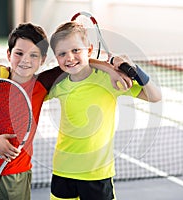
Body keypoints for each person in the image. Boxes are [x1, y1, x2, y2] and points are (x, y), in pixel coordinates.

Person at [0, 22, 130, 200]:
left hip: (18, 175)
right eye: (19, 53)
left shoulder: (43, 83)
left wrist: (110, 67)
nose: (26, 60)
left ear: (43, 59)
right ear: (9, 54)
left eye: (34, 55)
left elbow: (79, 61)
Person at [48, 21, 162, 200]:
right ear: (56, 58)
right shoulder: (57, 84)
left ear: (90, 49)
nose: (69, 58)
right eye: (62, 54)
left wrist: (134, 69)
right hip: (63, 171)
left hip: (97, 174)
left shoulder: (110, 79)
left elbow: (155, 96)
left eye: (76, 50)